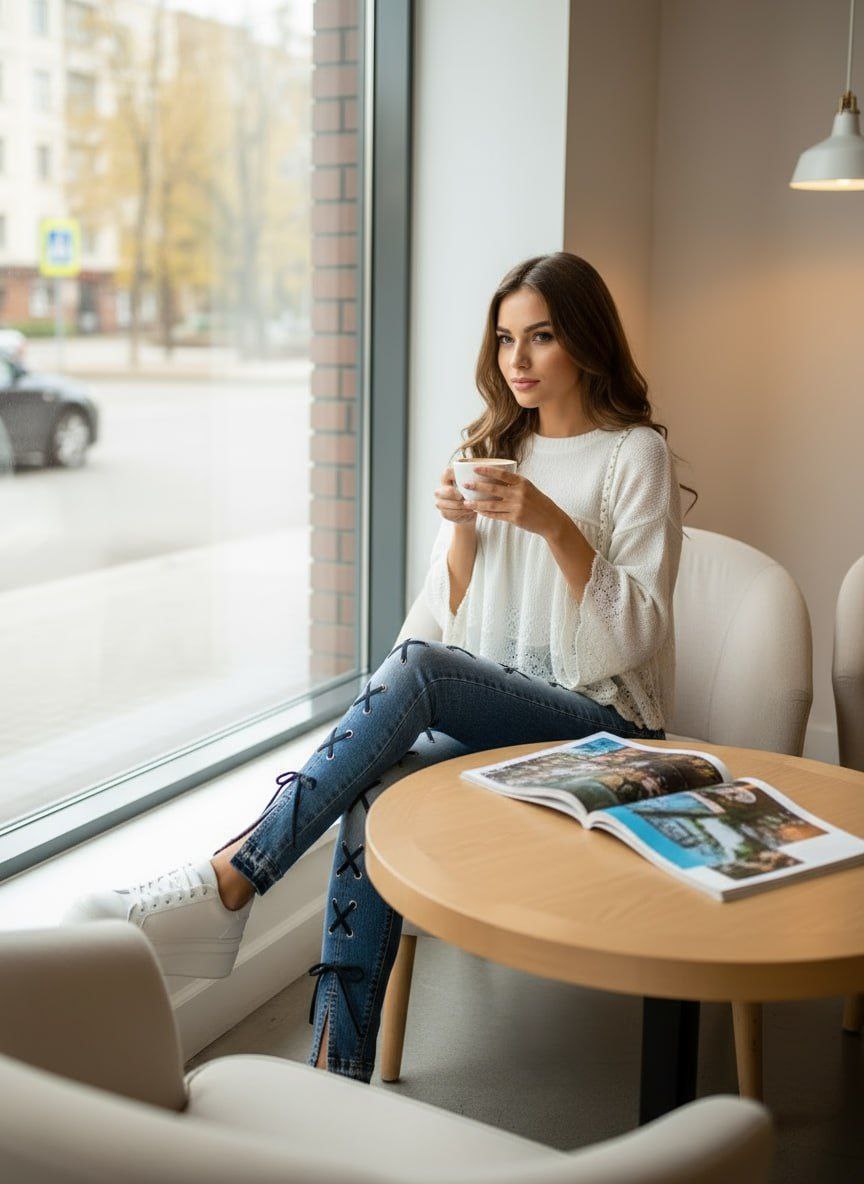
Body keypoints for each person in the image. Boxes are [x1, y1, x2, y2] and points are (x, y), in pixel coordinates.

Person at [64, 251, 692, 1084]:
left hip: (607, 730)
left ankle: (231, 878)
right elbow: (452, 624)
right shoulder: (495, 447)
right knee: (374, 785)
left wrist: (552, 525)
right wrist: (463, 530)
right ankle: (335, 1069)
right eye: (506, 339)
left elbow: (636, 637)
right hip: (511, 721)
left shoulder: (634, 455)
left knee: (421, 671)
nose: (518, 359)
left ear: (586, 338)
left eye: (541, 336)